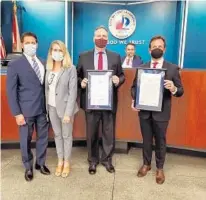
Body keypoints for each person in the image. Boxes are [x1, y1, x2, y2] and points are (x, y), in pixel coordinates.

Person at [131, 35, 184, 184]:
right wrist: (134, 99)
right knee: (146, 140)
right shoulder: (142, 67)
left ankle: (159, 168)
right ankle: (146, 164)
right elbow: (134, 87)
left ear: (164, 49)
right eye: (154, 46)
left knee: (160, 140)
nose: (157, 49)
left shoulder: (172, 68)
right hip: (145, 112)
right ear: (149, 49)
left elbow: (180, 91)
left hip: (162, 113)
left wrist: (173, 88)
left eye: (160, 47)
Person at [77, 26, 125, 174]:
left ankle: (107, 160)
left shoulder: (115, 56)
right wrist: (81, 82)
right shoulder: (83, 56)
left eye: (104, 36)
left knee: (108, 133)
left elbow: (122, 75)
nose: (101, 38)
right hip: (91, 102)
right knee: (91, 133)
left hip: (108, 102)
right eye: (99, 35)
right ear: (93, 38)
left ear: (108, 39)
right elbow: (77, 76)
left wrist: (118, 80)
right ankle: (92, 161)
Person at [6, 32, 50, 182]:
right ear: (22, 45)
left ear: (37, 44)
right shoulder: (15, 64)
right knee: (25, 139)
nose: (31, 45)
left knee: (43, 138)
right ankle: (28, 166)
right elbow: (11, 91)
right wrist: (16, 113)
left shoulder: (43, 62)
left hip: (43, 109)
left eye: (33, 42)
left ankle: (40, 163)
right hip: (25, 111)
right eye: (28, 42)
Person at [45, 40, 78, 178]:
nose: (56, 53)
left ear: (64, 52)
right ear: (50, 52)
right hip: (51, 108)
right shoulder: (48, 68)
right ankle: (59, 160)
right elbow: (47, 90)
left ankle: (67, 162)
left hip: (65, 110)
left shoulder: (70, 68)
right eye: (54, 50)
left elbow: (73, 92)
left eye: (59, 50)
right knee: (57, 135)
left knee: (66, 136)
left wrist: (68, 113)